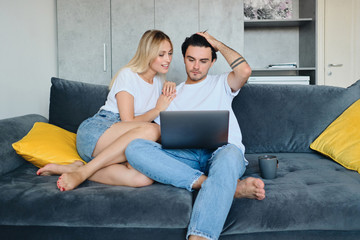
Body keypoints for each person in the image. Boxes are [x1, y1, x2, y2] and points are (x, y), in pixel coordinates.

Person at [125, 32, 266, 240]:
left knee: (229, 155)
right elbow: (157, 135)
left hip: (222, 152)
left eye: (203, 61)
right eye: (191, 60)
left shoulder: (222, 84)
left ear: (213, 61)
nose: (196, 67)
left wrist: (216, 43)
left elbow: (244, 70)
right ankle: (224, 185)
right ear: (183, 59)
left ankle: (200, 237)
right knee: (134, 148)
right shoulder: (171, 94)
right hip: (185, 157)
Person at [37, 30, 176, 191]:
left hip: (122, 142)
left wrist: (170, 88)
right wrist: (158, 109)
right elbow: (128, 121)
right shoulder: (128, 75)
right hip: (99, 131)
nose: (168, 59)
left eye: (170, 53)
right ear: (148, 53)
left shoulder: (159, 81)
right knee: (153, 130)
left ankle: (75, 169)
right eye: (161, 54)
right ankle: (83, 173)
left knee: (142, 178)